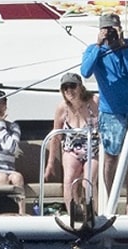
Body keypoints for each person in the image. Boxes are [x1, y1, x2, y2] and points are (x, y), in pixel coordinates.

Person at [81, 13, 128, 215]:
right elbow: (85, 72)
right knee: (111, 157)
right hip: (111, 113)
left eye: (113, 29)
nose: (110, 33)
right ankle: (109, 202)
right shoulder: (93, 51)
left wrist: (120, 45)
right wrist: (99, 45)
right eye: (106, 29)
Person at [46, 72, 100, 212]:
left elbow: (105, 126)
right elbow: (56, 136)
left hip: (93, 149)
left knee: (88, 181)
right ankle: (72, 214)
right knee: (69, 179)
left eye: (72, 86)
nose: (69, 90)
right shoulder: (62, 108)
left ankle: (93, 213)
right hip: (71, 150)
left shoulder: (94, 102)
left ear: (80, 87)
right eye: (65, 87)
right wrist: (50, 163)